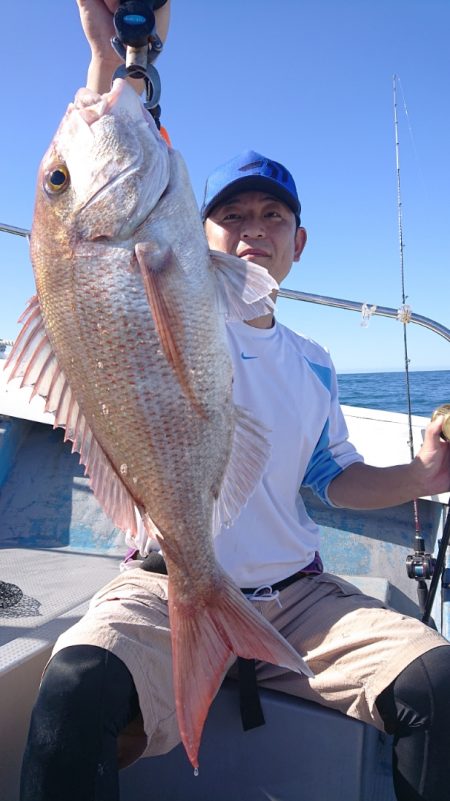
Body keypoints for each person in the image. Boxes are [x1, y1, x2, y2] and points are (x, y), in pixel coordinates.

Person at [20, 2, 450, 801]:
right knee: (73, 694)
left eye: (272, 216)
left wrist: (424, 475)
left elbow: (332, 480)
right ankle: (194, 627)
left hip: (304, 598)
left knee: (436, 682)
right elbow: (108, 167)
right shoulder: (179, 289)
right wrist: (113, 58)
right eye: (231, 216)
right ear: (197, 232)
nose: (252, 229)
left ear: (299, 242)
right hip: (163, 577)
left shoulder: (316, 363)